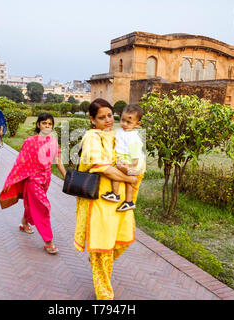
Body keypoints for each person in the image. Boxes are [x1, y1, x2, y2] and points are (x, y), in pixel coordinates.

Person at [74, 98, 142, 300]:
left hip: (119, 200)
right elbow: (101, 166)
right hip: (100, 199)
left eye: (110, 116)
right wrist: (129, 177)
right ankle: (105, 296)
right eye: (101, 117)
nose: (107, 120)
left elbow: (133, 160)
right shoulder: (91, 137)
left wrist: (133, 173)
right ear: (92, 119)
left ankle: (97, 262)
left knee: (119, 242)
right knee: (102, 245)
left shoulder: (120, 135)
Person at [0, 113, 66, 255]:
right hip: (33, 180)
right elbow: (21, 162)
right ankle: (48, 242)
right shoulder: (30, 141)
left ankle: (24, 222)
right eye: (44, 123)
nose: (47, 126)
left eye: (50, 124)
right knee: (43, 207)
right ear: (38, 125)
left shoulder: (53, 142)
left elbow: (58, 161)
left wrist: (66, 177)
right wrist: (14, 178)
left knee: (33, 204)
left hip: (45, 180)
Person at [101, 104, 145, 212]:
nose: (124, 124)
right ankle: (129, 202)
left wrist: (130, 165)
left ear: (137, 124)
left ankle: (116, 194)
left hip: (131, 162)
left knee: (115, 171)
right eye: (122, 120)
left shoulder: (133, 137)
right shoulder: (123, 131)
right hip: (125, 160)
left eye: (128, 122)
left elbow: (136, 155)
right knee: (128, 182)